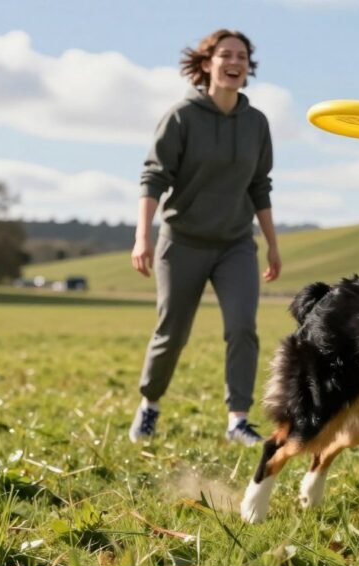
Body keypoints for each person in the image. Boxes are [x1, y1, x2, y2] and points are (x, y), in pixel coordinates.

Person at [128, 29, 280, 446]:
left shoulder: (256, 123)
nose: (235, 62)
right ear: (207, 63)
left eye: (242, 57)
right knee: (172, 331)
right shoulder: (181, 117)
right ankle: (150, 404)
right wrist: (143, 237)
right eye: (226, 55)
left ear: (248, 68)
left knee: (243, 328)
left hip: (234, 244)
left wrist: (271, 242)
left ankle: (238, 421)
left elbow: (259, 186)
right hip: (183, 242)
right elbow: (153, 177)